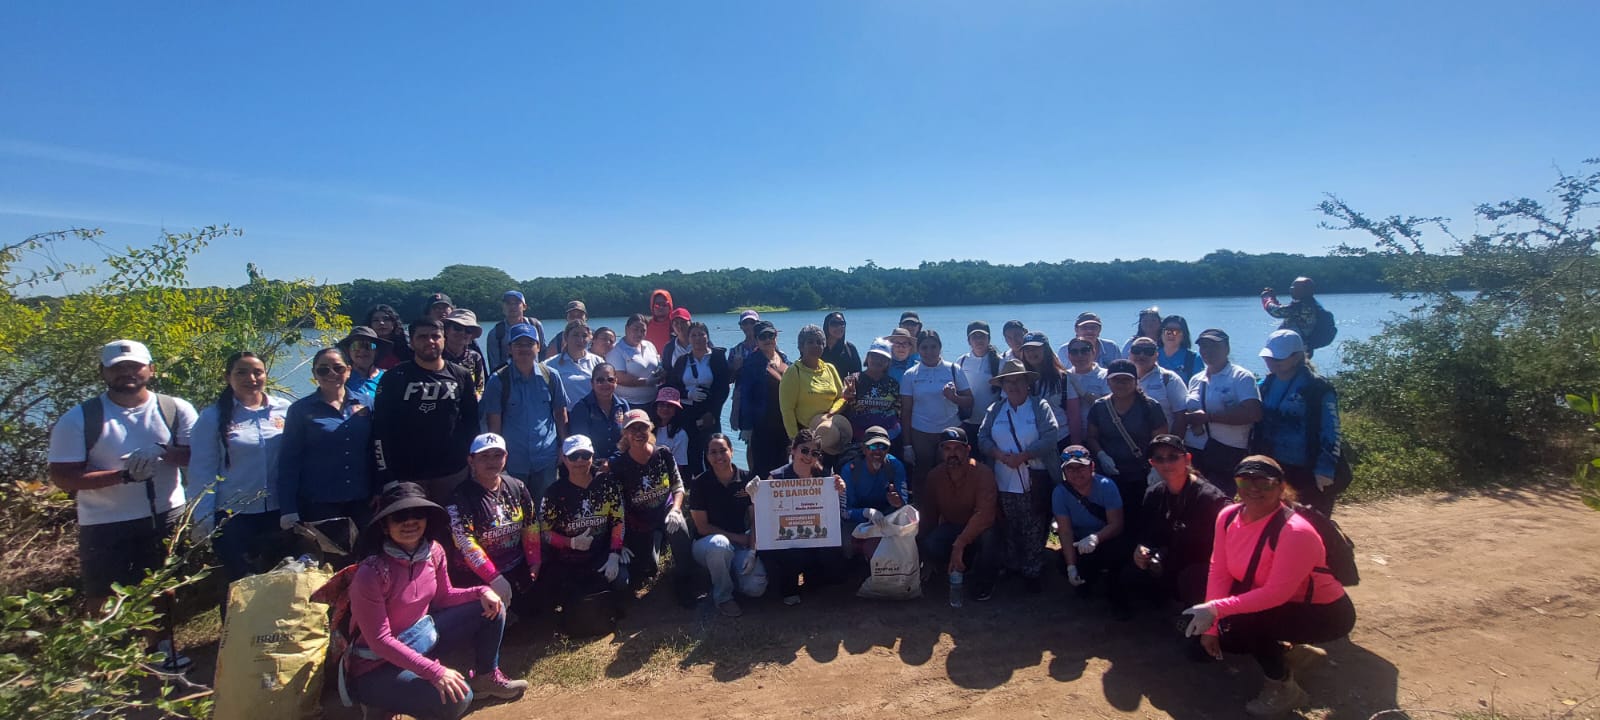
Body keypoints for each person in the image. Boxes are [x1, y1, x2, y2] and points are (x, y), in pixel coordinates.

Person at [48, 340, 198, 668]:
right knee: (102, 594)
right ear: (103, 372)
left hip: (165, 513)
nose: (127, 373)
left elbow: (193, 455)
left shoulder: (175, 409)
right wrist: (121, 476)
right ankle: (102, 662)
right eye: (117, 368)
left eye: (135, 366)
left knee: (164, 586)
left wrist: (163, 452)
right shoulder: (80, 419)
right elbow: (63, 475)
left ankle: (161, 648)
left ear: (151, 370)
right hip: (104, 520)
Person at [1184, 456, 1355, 716]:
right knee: (1204, 643)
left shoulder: (1295, 531)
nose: (1254, 489)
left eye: (1264, 483)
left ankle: (1283, 689)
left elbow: (1275, 594)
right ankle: (1291, 654)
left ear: (1280, 487)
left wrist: (1216, 610)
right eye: (1245, 481)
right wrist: (1212, 626)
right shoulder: (1228, 516)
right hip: (1283, 602)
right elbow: (1219, 569)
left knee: (1247, 621)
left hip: (1325, 612)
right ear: (1236, 484)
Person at [344, 482, 526, 719]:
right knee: (458, 701)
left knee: (491, 605)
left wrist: (481, 591)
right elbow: (380, 641)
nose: (410, 522)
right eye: (399, 516)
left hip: (419, 639)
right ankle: (382, 703)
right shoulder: (371, 573)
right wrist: (435, 671)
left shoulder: (434, 551)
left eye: (417, 514)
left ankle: (486, 677)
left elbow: (443, 596)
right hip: (375, 667)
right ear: (385, 526)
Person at [187, 351, 293, 585]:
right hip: (234, 517)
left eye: (257, 372)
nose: (251, 378)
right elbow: (201, 471)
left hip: (278, 513)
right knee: (240, 585)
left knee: (278, 583)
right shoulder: (212, 417)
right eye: (241, 372)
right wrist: (203, 518)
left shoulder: (284, 409)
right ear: (228, 377)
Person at [977, 358, 1063, 594]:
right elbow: (982, 437)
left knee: (1034, 526)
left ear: (1027, 383)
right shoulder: (995, 409)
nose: (1013, 386)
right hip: (1003, 479)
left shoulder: (1039, 406)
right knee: (1009, 525)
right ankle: (1013, 565)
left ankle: (1033, 571)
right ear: (1002, 386)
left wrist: (1024, 455)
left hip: (1035, 477)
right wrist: (998, 454)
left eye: (1018, 381)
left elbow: (1050, 436)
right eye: (1008, 382)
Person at [372, 318, 480, 502]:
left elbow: (471, 424)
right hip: (408, 475)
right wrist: (384, 477)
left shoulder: (460, 375)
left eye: (435, 336)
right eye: (422, 337)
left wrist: (473, 465)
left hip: (452, 472)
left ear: (444, 339)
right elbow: (380, 431)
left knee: (452, 528)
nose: (430, 341)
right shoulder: (395, 377)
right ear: (412, 343)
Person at [279, 347, 377, 533]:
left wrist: (380, 488)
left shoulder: (367, 403)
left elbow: (376, 450)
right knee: (331, 560)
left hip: (363, 499)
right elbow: (289, 462)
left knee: (367, 557)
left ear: (348, 370)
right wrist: (288, 509)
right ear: (314, 373)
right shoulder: (300, 410)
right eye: (323, 369)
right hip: (320, 502)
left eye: (338, 368)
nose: (331, 373)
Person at [533, 436, 628, 621]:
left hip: (600, 553)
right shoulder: (553, 493)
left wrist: (614, 553)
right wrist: (571, 542)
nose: (580, 461)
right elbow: (544, 533)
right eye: (574, 456)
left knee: (621, 581)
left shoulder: (607, 484)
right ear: (565, 458)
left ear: (593, 456)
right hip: (566, 559)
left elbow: (618, 519)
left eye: (585, 455)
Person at [1129, 435, 1230, 609]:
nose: (1166, 464)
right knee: (1129, 574)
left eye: (1173, 457)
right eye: (1159, 459)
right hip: (1168, 559)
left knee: (1191, 579)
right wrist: (1141, 548)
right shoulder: (1153, 494)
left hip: (1201, 565)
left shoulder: (1210, 498)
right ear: (1152, 464)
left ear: (1187, 459)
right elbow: (1145, 533)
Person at [447, 434, 540, 616]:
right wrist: (494, 577)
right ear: (471, 460)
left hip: (516, 568)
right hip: (477, 577)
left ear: (506, 458)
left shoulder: (517, 486)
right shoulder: (459, 497)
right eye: (484, 456)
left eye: (497, 455)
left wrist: (534, 564)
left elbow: (531, 525)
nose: (491, 461)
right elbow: (465, 542)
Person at [611, 409, 695, 605]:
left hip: (665, 513)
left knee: (680, 528)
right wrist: (618, 542)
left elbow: (677, 485)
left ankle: (685, 581)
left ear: (650, 429)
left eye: (643, 427)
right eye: (633, 429)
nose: (639, 433)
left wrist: (675, 509)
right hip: (639, 524)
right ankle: (657, 541)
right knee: (648, 567)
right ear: (625, 434)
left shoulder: (663, 453)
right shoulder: (619, 466)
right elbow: (615, 507)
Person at [1254, 330, 1343, 516]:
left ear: (1296, 358)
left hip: (1308, 470)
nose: (1271, 362)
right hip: (1275, 467)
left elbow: (1331, 431)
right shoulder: (1266, 384)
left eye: (1278, 359)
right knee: (1278, 518)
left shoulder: (1317, 388)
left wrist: (1325, 468)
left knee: (1313, 521)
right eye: (1269, 357)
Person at [481, 323, 568, 504]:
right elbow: (493, 424)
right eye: (518, 344)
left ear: (538, 347)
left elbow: (560, 414)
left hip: (546, 458)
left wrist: (563, 446)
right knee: (514, 512)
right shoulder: (498, 380)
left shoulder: (551, 376)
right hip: (513, 460)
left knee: (545, 510)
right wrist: (496, 457)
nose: (524, 348)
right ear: (509, 348)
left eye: (529, 343)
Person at [756, 429, 840, 606]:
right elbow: (765, 514)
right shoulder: (776, 477)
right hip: (785, 541)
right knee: (792, 553)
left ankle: (814, 584)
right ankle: (789, 589)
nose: (808, 456)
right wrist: (755, 495)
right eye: (804, 450)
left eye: (814, 453)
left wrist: (840, 488)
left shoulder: (825, 477)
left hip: (814, 536)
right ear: (793, 450)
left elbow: (833, 508)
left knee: (832, 559)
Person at [688, 434, 767, 617]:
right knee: (720, 545)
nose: (719, 456)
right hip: (707, 545)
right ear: (707, 457)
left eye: (723, 450)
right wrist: (739, 538)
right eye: (713, 452)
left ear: (732, 451)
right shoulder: (699, 483)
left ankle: (727, 576)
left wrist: (752, 551)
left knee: (757, 587)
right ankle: (723, 597)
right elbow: (702, 527)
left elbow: (755, 518)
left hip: (740, 545)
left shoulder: (747, 479)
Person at [919, 427, 1000, 601]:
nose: (952, 453)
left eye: (957, 448)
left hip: (979, 529)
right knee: (931, 543)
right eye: (947, 449)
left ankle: (985, 579)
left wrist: (959, 544)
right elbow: (929, 515)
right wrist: (926, 558)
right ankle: (956, 566)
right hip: (952, 527)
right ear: (941, 452)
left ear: (967, 450)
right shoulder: (934, 476)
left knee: (989, 537)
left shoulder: (983, 473)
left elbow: (984, 515)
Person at [1084, 359, 1169, 523]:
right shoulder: (1099, 407)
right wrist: (1101, 455)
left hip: (1142, 476)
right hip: (1110, 476)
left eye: (1126, 379)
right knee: (1111, 520)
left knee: (1141, 519)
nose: (1121, 384)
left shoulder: (1150, 407)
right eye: (1116, 379)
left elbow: (1161, 441)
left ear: (1136, 381)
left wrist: (1156, 469)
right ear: (1108, 382)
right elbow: (1092, 437)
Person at [1182, 329, 1263, 497]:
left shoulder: (1241, 377)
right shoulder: (1196, 379)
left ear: (1227, 348)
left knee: (1218, 500)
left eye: (1214, 346)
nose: (1207, 351)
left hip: (1227, 452)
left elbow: (1254, 413)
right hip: (1197, 450)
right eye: (1203, 347)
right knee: (1193, 498)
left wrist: (1209, 418)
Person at [1053, 445, 1130, 618]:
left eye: (1081, 467)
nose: (1076, 473)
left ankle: (1117, 597)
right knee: (1057, 550)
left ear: (1092, 467)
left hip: (1106, 538)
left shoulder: (1106, 486)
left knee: (1117, 554)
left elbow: (1117, 525)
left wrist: (1096, 538)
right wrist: (1071, 566)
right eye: (1070, 469)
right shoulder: (1060, 492)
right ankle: (1084, 582)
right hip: (1079, 541)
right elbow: (1064, 531)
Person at [899, 330, 973, 500]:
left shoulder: (954, 369)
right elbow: (906, 411)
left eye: (933, 347)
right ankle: (922, 511)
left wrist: (954, 397)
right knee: (923, 474)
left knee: (952, 470)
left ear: (940, 347)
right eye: (924, 347)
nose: (929, 351)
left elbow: (969, 401)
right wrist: (907, 445)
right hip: (921, 433)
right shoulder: (910, 375)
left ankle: (954, 506)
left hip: (950, 431)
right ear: (918, 349)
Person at [663, 320, 731, 477]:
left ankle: (717, 483)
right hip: (687, 412)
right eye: (694, 335)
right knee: (691, 451)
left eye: (701, 334)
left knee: (713, 450)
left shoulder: (717, 357)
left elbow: (722, 389)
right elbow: (672, 386)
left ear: (707, 336)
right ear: (689, 338)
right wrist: (688, 394)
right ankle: (695, 487)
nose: (698, 338)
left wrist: (713, 413)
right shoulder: (682, 361)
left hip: (710, 411)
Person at [836, 426, 909, 558]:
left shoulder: (895, 466)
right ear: (864, 449)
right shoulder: (850, 470)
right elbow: (844, 511)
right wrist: (867, 513)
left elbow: (905, 505)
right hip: (858, 519)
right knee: (844, 545)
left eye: (883, 447)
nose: (878, 452)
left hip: (887, 518)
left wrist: (898, 503)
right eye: (873, 447)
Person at [778, 324, 846, 446]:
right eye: (810, 342)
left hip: (830, 432)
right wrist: (795, 440)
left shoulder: (830, 368)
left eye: (819, 342)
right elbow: (787, 410)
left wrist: (832, 412)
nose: (816, 345)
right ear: (801, 346)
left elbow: (842, 397)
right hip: (805, 436)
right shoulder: (794, 372)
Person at [739, 321, 791, 476]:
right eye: (763, 336)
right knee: (763, 469)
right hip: (762, 425)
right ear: (756, 340)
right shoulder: (751, 363)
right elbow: (746, 397)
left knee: (783, 467)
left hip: (783, 423)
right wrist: (747, 427)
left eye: (771, 335)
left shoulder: (784, 358)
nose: (768, 339)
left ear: (776, 336)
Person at [838, 340, 903, 451]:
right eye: (874, 356)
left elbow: (898, 411)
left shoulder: (893, 384)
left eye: (882, 358)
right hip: (859, 439)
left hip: (889, 438)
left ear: (888, 362)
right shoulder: (853, 380)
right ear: (867, 358)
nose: (878, 360)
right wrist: (845, 396)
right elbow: (842, 402)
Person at [566, 363, 630, 464]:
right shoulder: (582, 408)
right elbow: (581, 442)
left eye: (610, 380)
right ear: (592, 383)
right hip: (590, 464)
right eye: (600, 380)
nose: (605, 384)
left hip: (619, 462)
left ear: (616, 382)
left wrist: (612, 461)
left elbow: (627, 437)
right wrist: (600, 463)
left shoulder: (623, 405)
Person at [955, 321, 1000, 458]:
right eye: (975, 337)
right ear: (969, 340)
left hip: (992, 424)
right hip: (967, 423)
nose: (979, 340)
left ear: (989, 339)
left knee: (990, 463)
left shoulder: (1000, 361)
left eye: (982, 336)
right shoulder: (961, 361)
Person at [1129, 336, 1189, 437]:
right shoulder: (1121, 378)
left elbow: (1181, 416)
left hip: (1160, 447)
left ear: (1157, 354)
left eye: (1148, 351)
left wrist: (1172, 446)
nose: (1142, 355)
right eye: (1136, 350)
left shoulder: (1169, 378)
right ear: (1129, 354)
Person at [1018, 331, 1072, 438]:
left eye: (1035, 348)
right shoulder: (1019, 379)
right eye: (1027, 349)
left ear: (1046, 350)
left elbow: (1073, 414)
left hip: (1060, 437)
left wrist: (1075, 444)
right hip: (1030, 440)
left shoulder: (1063, 378)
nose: (1031, 353)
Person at [1261, 277, 1328, 357]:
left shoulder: (1303, 306)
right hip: (1301, 347)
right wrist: (1273, 299)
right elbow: (1284, 310)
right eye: (1291, 288)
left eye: (1294, 288)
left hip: (1296, 350)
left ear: (1306, 290)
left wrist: (1266, 298)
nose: (1291, 290)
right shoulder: (1311, 304)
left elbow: (1275, 311)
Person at [545, 321, 604, 412]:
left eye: (584, 336)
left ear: (590, 338)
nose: (580, 340)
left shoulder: (598, 362)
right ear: (566, 337)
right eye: (575, 335)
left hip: (593, 414)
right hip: (565, 415)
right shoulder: (550, 364)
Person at [1063, 336, 1110, 446]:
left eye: (1084, 351)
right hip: (1072, 438)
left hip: (1100, 438)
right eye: (1074, 352)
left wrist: (1083, 393)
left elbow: (1108, 407)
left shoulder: (1105, 375)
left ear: (1094, 352)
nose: (1079, 355)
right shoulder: (1064, 376)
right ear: (1069, 356)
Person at [608, 313, 662, 409]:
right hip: (627, 404)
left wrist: (661, 373)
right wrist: (646, 382)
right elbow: (619, 378)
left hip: (652, 401)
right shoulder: (617, 350)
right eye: (635, 329)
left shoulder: (650, 345)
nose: (639, 333)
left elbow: (658, 366)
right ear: (626, 329)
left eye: (643, 330)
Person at [726, 310, 763, 444]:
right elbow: (728, 380)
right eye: (745, 323)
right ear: (740, 326)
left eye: (752, 322)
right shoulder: (735, 351)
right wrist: (735, 369)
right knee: (749, 441)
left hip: (764, 398)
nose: (749, 326)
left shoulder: (767, 345)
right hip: (744, 401)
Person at [486, 290, 544, 373]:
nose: (512, 306)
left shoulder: (535, 325)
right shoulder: (496, 333)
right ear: (503, 307)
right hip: (508, 380)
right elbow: (494, 365)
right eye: (508, 303)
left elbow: (543, 353)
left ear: (524, 306)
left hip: (535, 377)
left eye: (517, 303)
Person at [442, 309, 488, 399]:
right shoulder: (437, 356)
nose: (463, 333)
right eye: (457, 328)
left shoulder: (475, 357)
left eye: (468, 330)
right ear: (447, 330)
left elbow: (480, 387)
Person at [338, 326, 389, 404]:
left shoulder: (388, 377)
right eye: (356, 346)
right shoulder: (340, 378)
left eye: (368, 346)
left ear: (377, 351)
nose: (362, 350)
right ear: (348, 351)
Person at [653, 387, 689, 474]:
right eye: (662, 404)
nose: (665, 408)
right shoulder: (647, 427)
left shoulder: (681, 434)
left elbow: (679, 465)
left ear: (676, 410)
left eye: (669, 406)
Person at [1158, 314, 1203, 381]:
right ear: (1161, 333)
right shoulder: (1150, 354)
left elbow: (1200, 385)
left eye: (1176, 331)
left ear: (1184, 335)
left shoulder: (1193, 358)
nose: (1171, 335)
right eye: (1167, 331)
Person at [367, 304, 411, 370]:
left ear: (394, 322)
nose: (381, 323)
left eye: (386, 319)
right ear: (370, 324)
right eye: (376, 320)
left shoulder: (406, 342)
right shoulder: (366, 345)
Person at [820, 311, 862, 377]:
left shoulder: (849, 349)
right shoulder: (817, 347)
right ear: (826, 326)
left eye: (842, 323)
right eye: (834, 324)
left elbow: (857, 374)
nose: (839, 327)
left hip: (843, 387)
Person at [644, 289, 676, 356]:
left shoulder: (677, 325)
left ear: (670, 306)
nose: (661, 307)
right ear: (652, 306)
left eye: (664, 304)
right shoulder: (645, 325)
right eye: (657, 305)